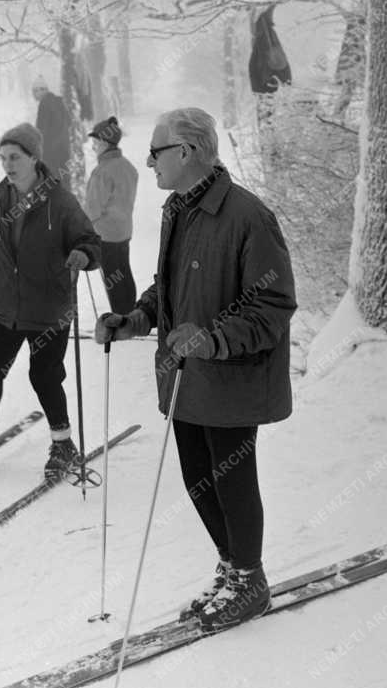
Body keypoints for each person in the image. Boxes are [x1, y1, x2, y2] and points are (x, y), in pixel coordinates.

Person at [94, 107, 296, 632]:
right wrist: (134, 319)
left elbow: (272, 305)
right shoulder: (177, 210)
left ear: (185, 153)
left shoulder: (249, 217)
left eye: (156, 152)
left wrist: (214, 340)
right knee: (198, 477)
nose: (150, 163)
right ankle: (232, 570)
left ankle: (250, 580)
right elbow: (169, 290)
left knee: (231, 480)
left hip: (231, 376)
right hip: (186, 377)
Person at [0, 123, 101, 477]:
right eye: (3, 157)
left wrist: (83, 255)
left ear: (34, 158)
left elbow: (89, 240)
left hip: (49, 309)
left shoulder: (59, 201)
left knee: (44, 376)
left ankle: (63, 444)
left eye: (15, 157)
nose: (8, 164)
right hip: (5, 307)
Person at [84, 117, 139, 315]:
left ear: (105, 144)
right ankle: (131, 315)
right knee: (123, 270)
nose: (93, 147)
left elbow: (92, 210)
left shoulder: (102, 172)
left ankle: (120, 318)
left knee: (113, 276)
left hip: (105, 234)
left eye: (95, 143)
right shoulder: (127, 166)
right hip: (123, 231)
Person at [32, 76, 72, 190]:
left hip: (50, 152)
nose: (35, 94)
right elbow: (69, 122)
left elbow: (40, 131)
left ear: (41, 90)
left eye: (35, 91)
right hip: (64, 150)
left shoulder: (44, 104)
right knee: (65, 181)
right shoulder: (60, 101)